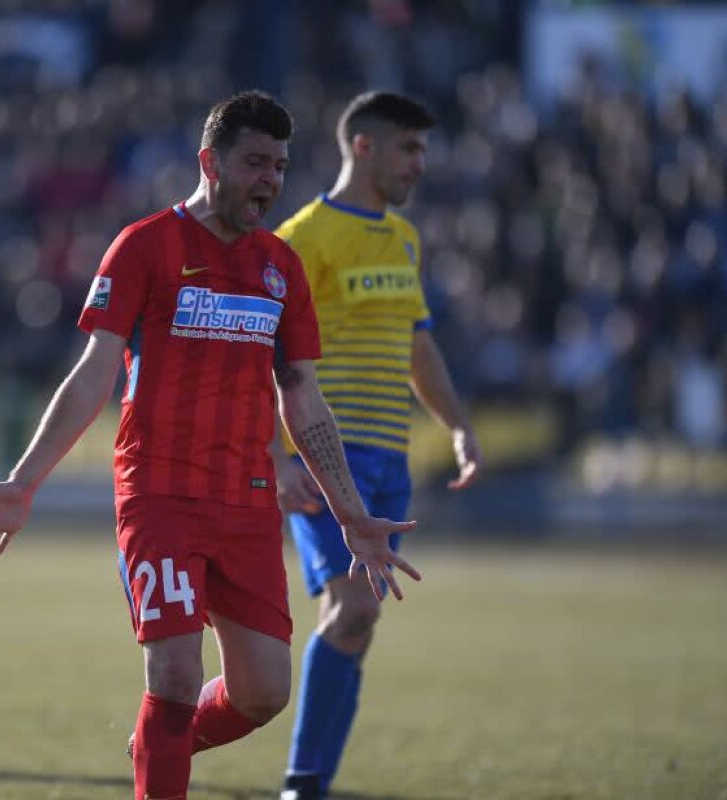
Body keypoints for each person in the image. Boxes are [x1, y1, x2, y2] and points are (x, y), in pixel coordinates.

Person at [0, 90, 422, 800]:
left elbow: (303, 396)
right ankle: (162, 755)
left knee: (264, 692)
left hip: (247, 502)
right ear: (210, 161)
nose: (268, 179)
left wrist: (351, 513)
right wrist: (23, 481)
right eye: (255, 162)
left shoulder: (280, 268)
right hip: (160, 494)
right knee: (172, 674)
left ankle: (156, 743)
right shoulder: (145, 246)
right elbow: (92, 376)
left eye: (280, 166)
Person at [272, 92, 482, 800]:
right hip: (328, 458)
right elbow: (265, 354)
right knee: (354, 610)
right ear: (364, 147)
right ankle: (303, 782)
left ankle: (313, 780)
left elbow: (419, 346)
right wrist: (274, 456)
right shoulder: (304, 238)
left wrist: (456, 426)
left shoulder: (405, 240)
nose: (420, 165)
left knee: (361, 622)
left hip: (389, 460)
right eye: (409, 149)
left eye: (422, 150)